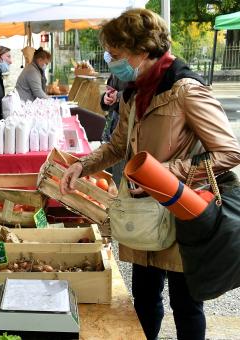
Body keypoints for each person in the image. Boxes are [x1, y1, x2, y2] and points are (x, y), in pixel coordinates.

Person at [59, 9, 240, 340]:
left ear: (141, 51)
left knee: (186, 305)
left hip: (183, 212)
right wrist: (81, 165)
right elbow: (116, 146)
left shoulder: (185, 89)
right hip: (143, 216)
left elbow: (229, 152)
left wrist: (165, 175)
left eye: (115, 54)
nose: (110, 61)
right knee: (144, 299)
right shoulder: (135, 91)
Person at [99, 73, 127, 185]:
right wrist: (105, 97)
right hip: (111, 129)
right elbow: (110, 91)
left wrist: (119, 96)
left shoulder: (136, 70)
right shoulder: (116, 71)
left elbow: (141, 93)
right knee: (106, 175)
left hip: (124, 135)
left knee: (118, 179)